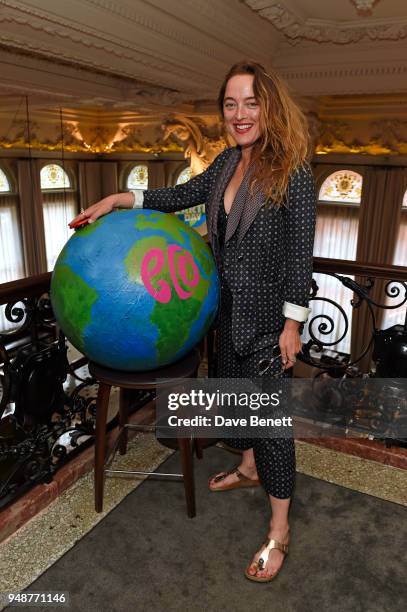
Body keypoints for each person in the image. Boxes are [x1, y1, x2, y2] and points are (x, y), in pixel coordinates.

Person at [69, 60, 316, 583]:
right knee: (233, 400)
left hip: (270, 323)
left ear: (269, 106)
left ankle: (280, 529)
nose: (240, 114)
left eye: (251, 102)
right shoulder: (227, 163)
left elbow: (300, 256)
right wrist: (120, 199)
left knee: (271, 426)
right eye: (230, 104)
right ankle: (248, 469)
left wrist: (292, 323)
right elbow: (177, 198)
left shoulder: (293, 170)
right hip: (223, 314)